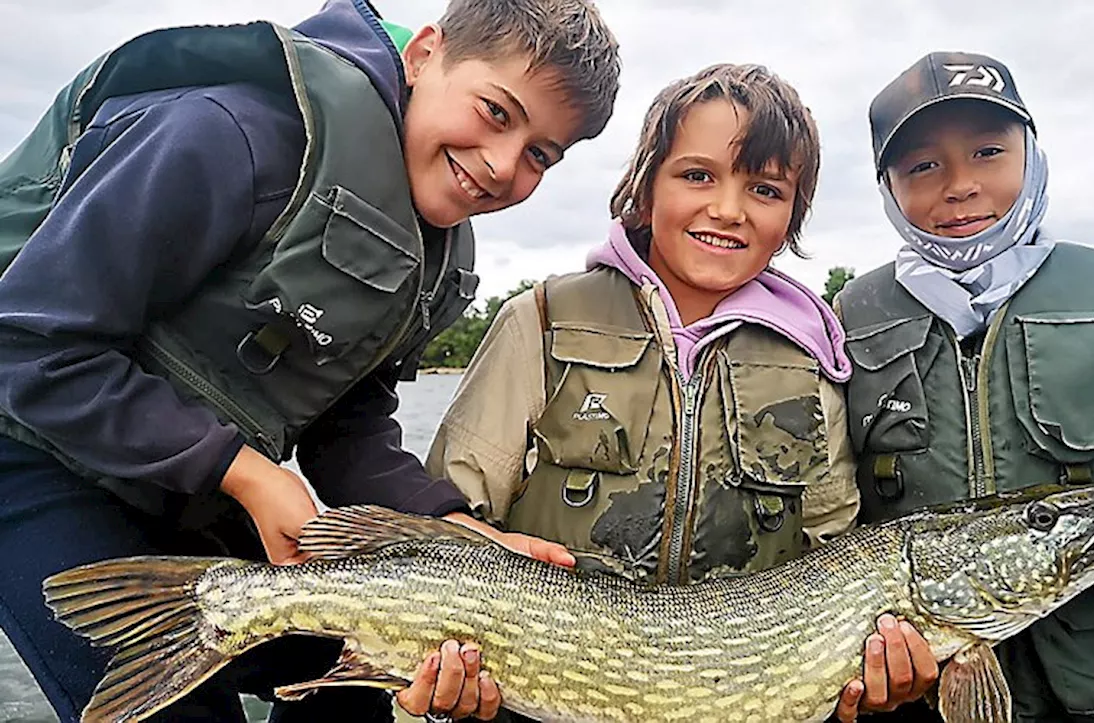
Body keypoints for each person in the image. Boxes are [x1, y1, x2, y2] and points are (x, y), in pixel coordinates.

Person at [0, 1, 620, 721]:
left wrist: (461, 533)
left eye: (542, 154)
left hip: (181, 483)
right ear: (424, 55)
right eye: (496, 112)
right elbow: (22, 340)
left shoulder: (434, 249)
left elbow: (348, 428)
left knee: (365, 671)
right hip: (33, 452)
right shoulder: (225, 135)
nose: (503, 164)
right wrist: (246, 471)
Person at [426, 63, 939, 722]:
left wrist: (876, 666)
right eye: (697, 176)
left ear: (793, 215)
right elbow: (448, 523)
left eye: (765, 188)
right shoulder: (542, 320)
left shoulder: (812, 360)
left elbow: (832, 553)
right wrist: (445, 682)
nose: (727, 209)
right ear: (644, 191)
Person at [835, 51, 1094, 722]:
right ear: (887, 186)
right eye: (923, 166)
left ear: (1031, 153)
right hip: (924, 690)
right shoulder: (849, 324)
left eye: (989, 151)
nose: (961, 184)